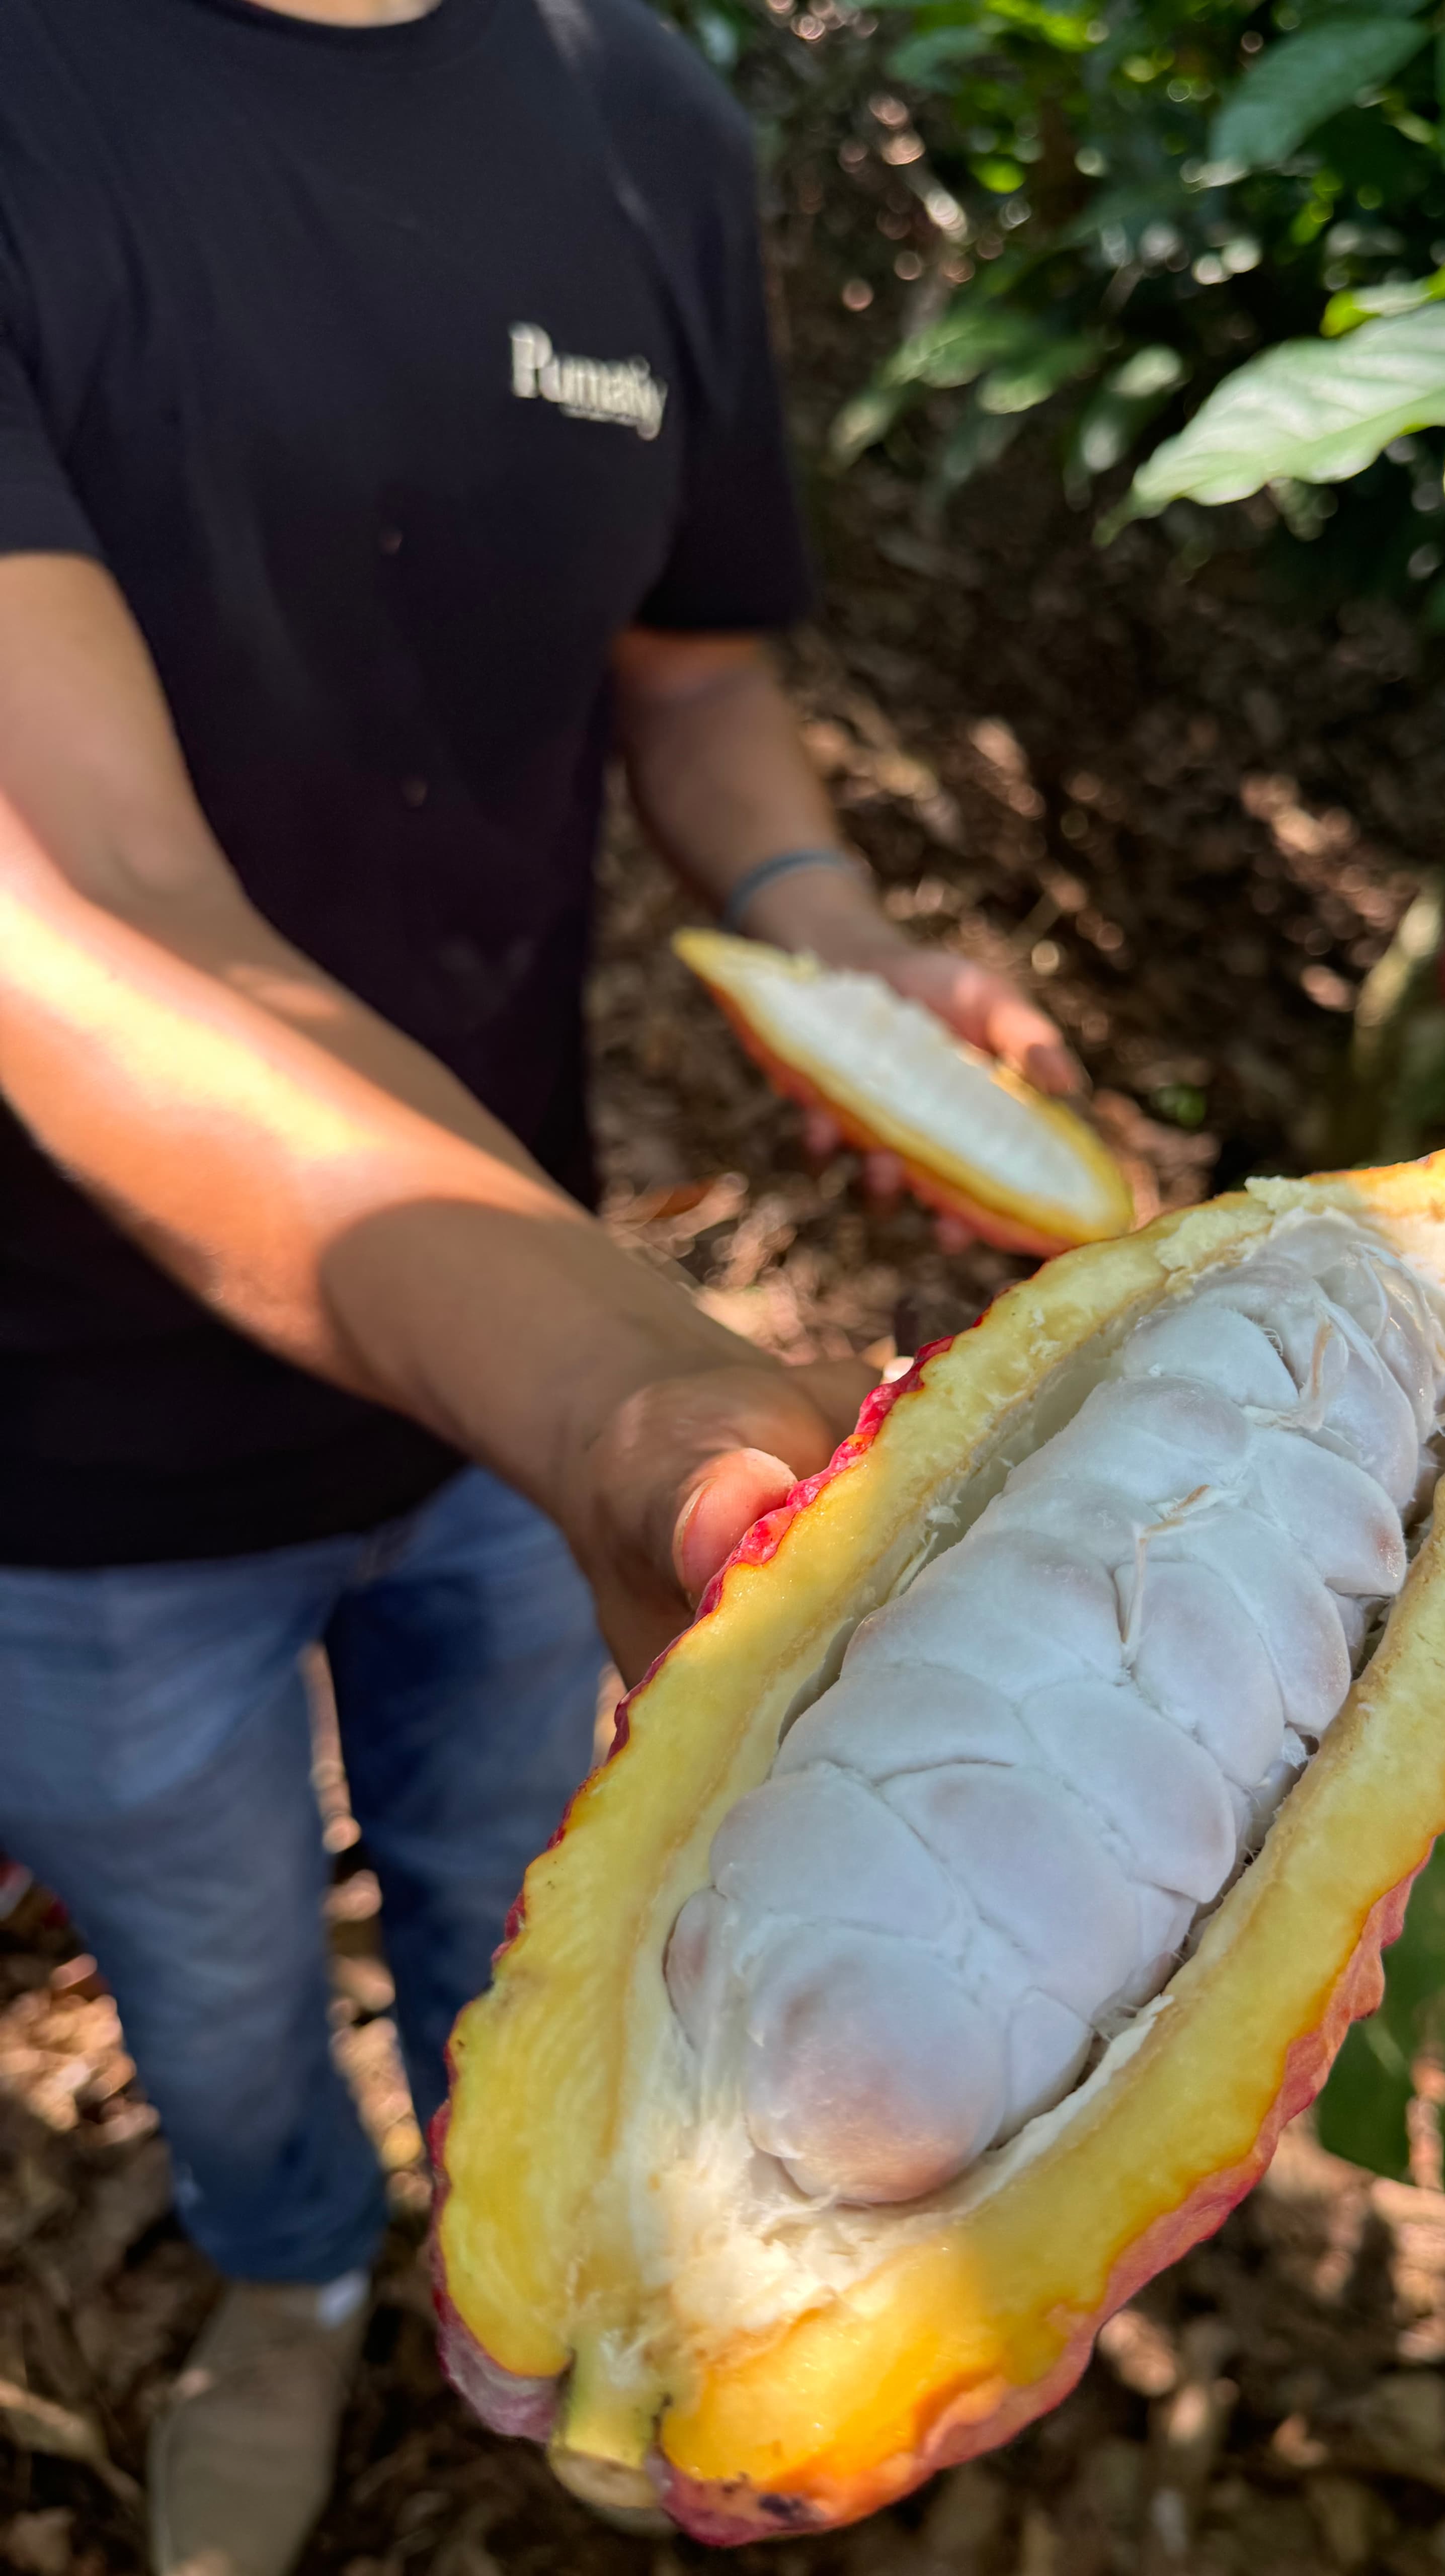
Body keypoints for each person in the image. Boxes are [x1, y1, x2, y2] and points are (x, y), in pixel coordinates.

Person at [0, 0, 1080, 2563]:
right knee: (229, 1977)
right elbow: (82, 909)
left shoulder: (641, 119)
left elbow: (696, 677)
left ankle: (573, 2273)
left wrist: (830, 931)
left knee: (534, 1886)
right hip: (70, 1445)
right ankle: (294, 2283)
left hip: (490, 1399)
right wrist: (638, 1403)